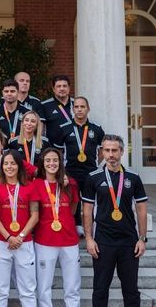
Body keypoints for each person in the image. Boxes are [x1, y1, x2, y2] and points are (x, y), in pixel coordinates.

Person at [82, 134, 148, 307]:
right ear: (102, 152)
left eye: (114, 150)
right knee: (100, 289)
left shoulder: (133, 177)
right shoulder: (93, 177)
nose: (110, 154)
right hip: (103, 242)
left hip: (129, 242)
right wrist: (89, 239)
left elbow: (141, 209)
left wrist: (142, 239)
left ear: (122, 152)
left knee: (131, 291)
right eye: (107, 150)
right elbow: (87, 211)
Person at [0, 151, 39, 307]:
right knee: (0, 290)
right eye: (6, 163)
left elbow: (35, 215)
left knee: (28, 290)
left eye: (13, 163)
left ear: (19, 166)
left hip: (25, 242)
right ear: (2, 166)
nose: (9, 167)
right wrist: (9, 237)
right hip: (2, 242)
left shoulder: (30, 187)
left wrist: (21, 236)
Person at [33, 147, 81, 307]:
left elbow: (73, 210)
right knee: (44, 286)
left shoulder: (71, 184)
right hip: (45, 240)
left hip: (69, 240)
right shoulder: (37, 184)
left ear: (60, 162)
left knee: (72, 284)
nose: (51, 163)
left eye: (55, 160)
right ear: (42, 163)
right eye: (48, 160)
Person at [62, 96, 105, 230]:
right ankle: (74, 226)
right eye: (76, 107)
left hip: (90, 172)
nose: (79, 109)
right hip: (70, 171)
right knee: (72, 200)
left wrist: (95, 163)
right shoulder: (65, 128)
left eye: (82, 107)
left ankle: (89, 229)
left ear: (88, 109)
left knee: (89, 200)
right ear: (72, 109)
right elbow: (58, 151)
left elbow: (103, 149)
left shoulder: (96, 129)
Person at [41, 75, 74, 146]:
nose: (62, 89)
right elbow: (41, 130)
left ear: (69, 88)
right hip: (53, 150)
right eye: (58, 86)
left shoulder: (77, 104)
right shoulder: (44, 106)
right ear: (53, 89)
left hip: (74, 148)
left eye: (64, 86)